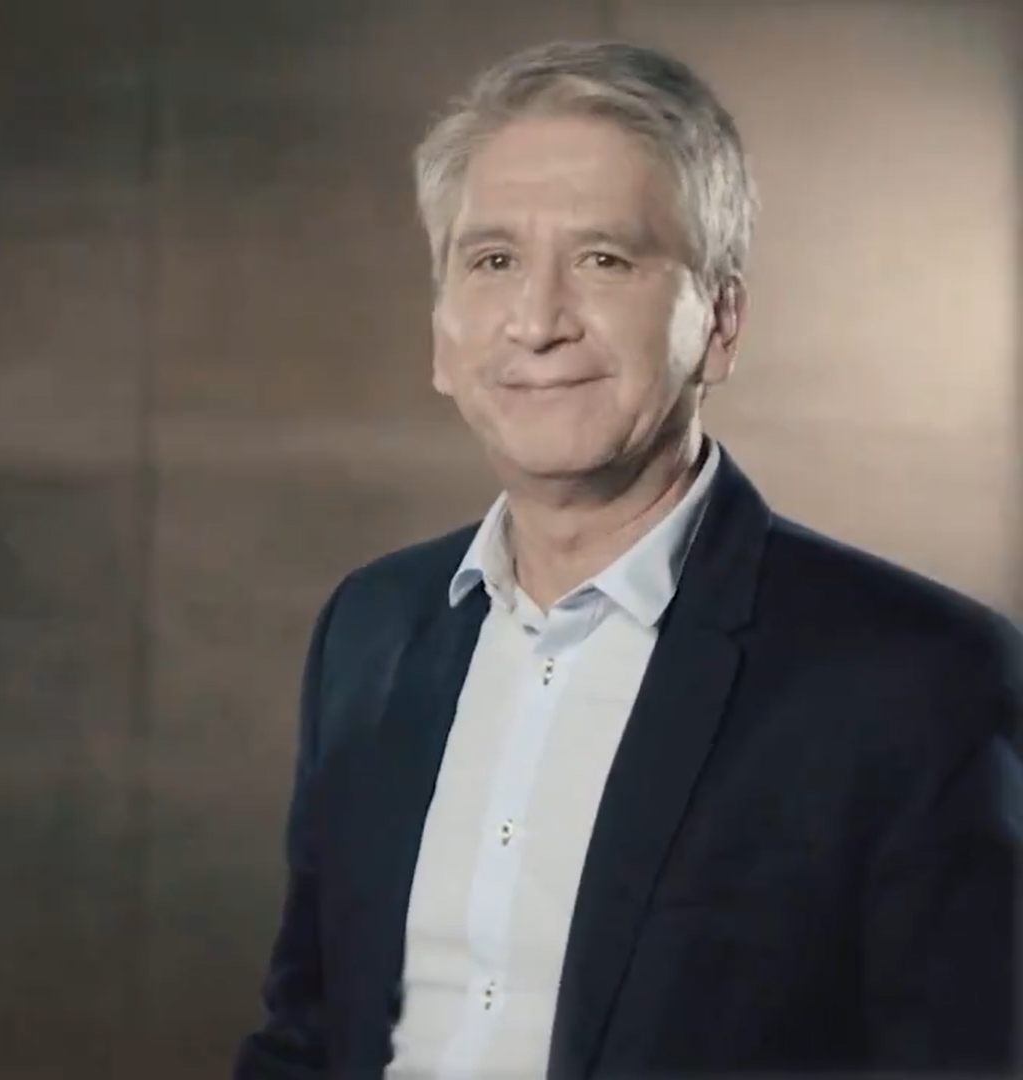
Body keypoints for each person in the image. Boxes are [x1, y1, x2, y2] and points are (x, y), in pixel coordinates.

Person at [236, 39, 1021, 1080]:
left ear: (721, 323)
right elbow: (306, 1038)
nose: (538, 321)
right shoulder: (370, 630)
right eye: (493, 261)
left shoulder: (918, 680)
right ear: (440, 334)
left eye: (604, 259)